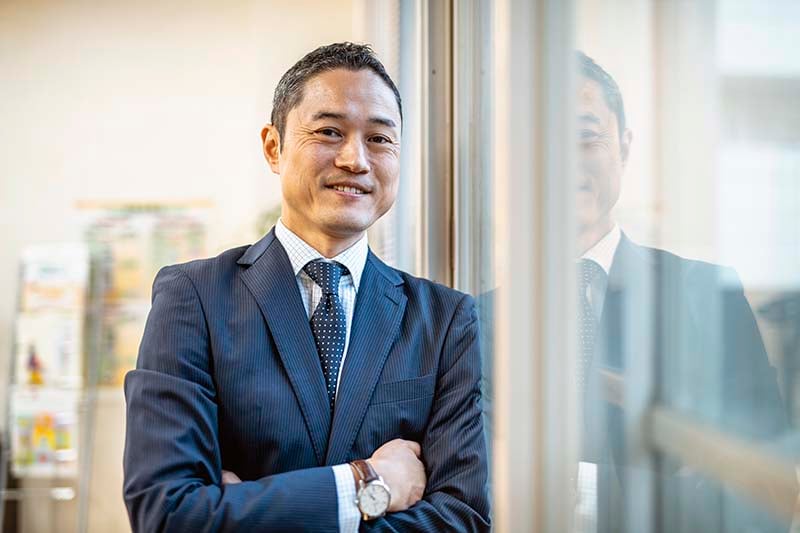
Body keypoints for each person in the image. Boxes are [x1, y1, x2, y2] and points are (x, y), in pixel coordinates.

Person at [123, 42, 490, 532]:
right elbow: (167, 514)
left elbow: (461, 518)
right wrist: (367, 482)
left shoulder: (445, 321)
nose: (355, 159)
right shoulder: (194, 299)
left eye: (380, 139)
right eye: (329, 131)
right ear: (274, 147)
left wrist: (242, 506)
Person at [575, 51, 793, 532]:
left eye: (586, 137)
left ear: (624, 148)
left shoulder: (706, 295)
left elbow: (762, 476)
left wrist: (572, 491)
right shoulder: (482, 315)